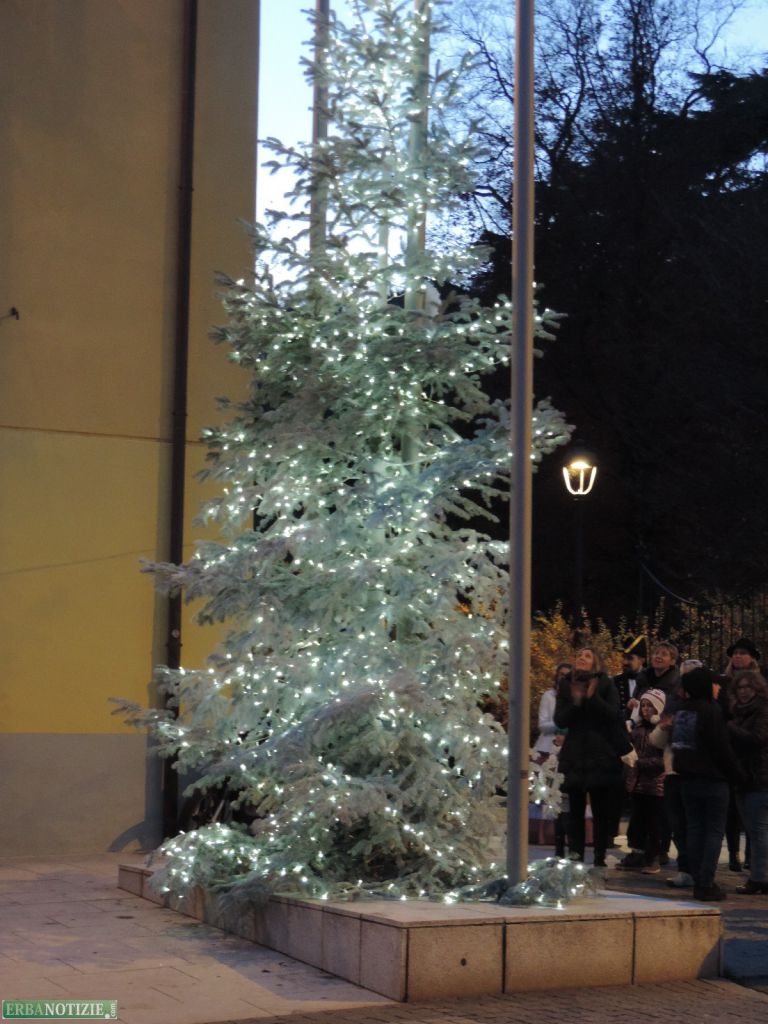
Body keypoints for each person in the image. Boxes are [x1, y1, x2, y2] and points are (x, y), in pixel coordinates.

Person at [670, 666, 742, 901]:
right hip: (712, 779)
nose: (718, 687)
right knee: (713, 832)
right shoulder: (710, 711)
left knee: (695, 829)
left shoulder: (682, 711)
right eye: (714, 683)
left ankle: (696, 877)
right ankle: (705, 882)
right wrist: (737, 774)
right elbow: (721, 748)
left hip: (687, 779)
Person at [554, 647, 629, 867]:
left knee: (600, 811)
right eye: (579, 655)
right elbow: (560, 720)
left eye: (587, 656)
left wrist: (592, 698)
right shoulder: (566, 684)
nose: (581, 658)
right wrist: (576, 702)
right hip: (575, 755)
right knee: (575, 811)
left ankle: (599, 858)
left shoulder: (605, 683)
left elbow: (613, 714)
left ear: (596, 662)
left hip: (600, 755)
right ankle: (575, 857)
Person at [649, 659, 702, 888]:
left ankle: (699, 868)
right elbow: (656, 741)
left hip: (696, 772)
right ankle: (685, 869)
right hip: (673, 770)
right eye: (684, 676)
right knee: (678, 825)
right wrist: (663, 727)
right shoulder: (673, 703)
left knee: (695, 824)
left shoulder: (706, 706)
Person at [727, 671, 768, 895]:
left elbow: (758, 739)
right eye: (740, 688)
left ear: (757, 689)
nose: (743, 692)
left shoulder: (762, 710)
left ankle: (760, 878)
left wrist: (731, 728)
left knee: (759, 831)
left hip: (759, 777)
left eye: (748, 687)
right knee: (754, 831)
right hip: (743, 778)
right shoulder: (738, 712)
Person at [722, 638, 761, 870]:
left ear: (752, 657)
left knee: (753, 809)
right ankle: (734, 853)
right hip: (730, 748)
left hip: (751, 750)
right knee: (732, 809)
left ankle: (751, 855)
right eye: (735, 653)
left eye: (742, 653)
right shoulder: (725, 681)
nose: (737, 657)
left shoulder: (760, 683)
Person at [623, 688, 667, 873]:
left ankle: (653, 857)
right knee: (637, 822)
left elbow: (663, 760)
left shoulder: (662, 729)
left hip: (655, 785)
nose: (646, 709)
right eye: (643, 705)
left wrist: (639, 763)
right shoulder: (638, 728)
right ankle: (637, 853)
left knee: (653, 824)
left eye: (650, 706)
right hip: (637, 782)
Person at [534, 662, 572, 759]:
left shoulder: (576, 698)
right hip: (546, 748)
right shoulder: (548, 696)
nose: (564, 677)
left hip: (569, 750)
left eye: (567, 675)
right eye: (562, 674)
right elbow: (542, 725)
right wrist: (562, 726)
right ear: (557, 676)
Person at [613, 637, 647, 719]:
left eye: (630, 658)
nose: (625, 662)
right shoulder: (614, 682)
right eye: (624, 657)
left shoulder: (651, 681)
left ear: (641, 660)